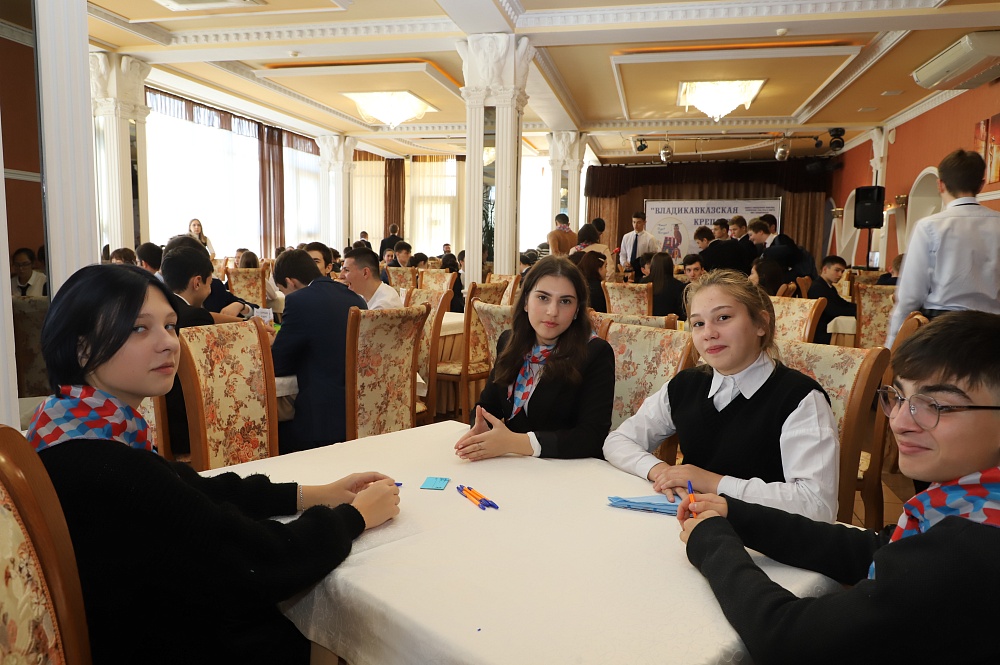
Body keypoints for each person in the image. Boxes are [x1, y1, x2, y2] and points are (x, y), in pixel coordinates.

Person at [26, 263, 400, 664]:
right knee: (350, 634)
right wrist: (354, 516)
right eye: (139, 328)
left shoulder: (70, 426)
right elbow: (261, 561)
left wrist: (313, 494)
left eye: (170, 326)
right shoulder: (109, 470)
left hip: (142, 616)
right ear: (83, 348)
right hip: (163, 642)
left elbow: (192, 490)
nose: (168, 343)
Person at [677, 311, 1000, 663]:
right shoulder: (967, 502)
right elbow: (878, 548)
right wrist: (737, 516)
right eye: (899, 397)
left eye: (937, 404)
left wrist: (712, 543)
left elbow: (788, 639)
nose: (899, 421)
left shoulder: (968, 551)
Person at [603, 269, 839, 521]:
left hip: (763, 535)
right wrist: (660, 471)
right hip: (690, 525)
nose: (709, 333)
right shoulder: (687, 385)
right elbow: (617, 441)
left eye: (723, 318)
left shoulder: (799, 398)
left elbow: (818, 506)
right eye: (698, 324)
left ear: (761, 323)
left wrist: (712, 483)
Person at [455, 256, 615, 461]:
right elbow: (487, 406)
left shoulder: (594, 353)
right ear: (525, 302)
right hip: (515, 466)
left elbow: (592, 437)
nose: (552, 311)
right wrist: (481, 426)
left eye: (565, 301)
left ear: (576, 311)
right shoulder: (509, 342)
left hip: (567, 469)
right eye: (543, 298)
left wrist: (515, 443)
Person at [887, 149, 1000, 346]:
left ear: (940, 184)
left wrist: (892, 342)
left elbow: (910, 296)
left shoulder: (929, 226)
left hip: (942, 334)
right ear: (981, 185)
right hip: (993, 333)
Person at [271, 249, 366, 452]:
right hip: (360, 413)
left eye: (282, 290)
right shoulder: (357, 299)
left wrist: (274, 343)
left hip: (321, 422)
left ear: (290, 282)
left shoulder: (299, 301)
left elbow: (277, 365)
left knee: (272, 432)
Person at [808, 255, 857, 345]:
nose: (840, 275)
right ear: (825, 269)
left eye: (842, 271)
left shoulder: (829, 287)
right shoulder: (817, 288)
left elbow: (842, 303)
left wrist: (861, 308)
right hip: (822, 333)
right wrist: (857, 311)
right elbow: (833, 310)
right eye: (837, 270)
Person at [619, 211, 659, 278]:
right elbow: (622, 254)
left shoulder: (650, 238)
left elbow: (653, 257)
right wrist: (624, 263)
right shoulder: (626, 237)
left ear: (644, 222)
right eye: (634, 222)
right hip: (628, 271)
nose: (635, 225)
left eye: (638, 222)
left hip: (642, 272)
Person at [650, 252, 686, 320]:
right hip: (670, 323)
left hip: (644, 323)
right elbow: (682, 313)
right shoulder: (678, 286)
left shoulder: (642, 283)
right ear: (670, 266)